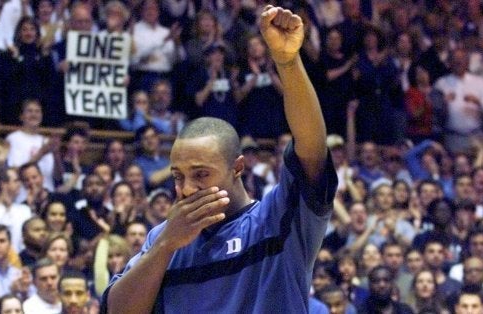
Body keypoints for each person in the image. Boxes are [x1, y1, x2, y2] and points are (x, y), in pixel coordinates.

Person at [104, 6, 336, 313]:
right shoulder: (163, 238)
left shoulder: (277, 218)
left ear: (237, 168)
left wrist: (288, 62)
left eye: (201, 174)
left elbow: (311, 145)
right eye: (177, 176)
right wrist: (164, 247)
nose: (186, 188)